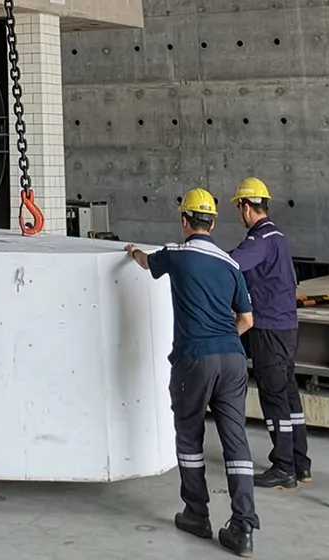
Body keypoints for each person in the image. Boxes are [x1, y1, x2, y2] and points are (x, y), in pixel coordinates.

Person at [124, 188, 259, 557]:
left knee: (189, 437)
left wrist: (132, 251)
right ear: (212, 223)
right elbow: (247, 319)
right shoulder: (231, 265)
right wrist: (223, 338)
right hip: (232, 358)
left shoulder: (177, 254)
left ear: (185, 221)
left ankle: (197, 515)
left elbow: (146, 263)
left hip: (194, 359)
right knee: (236, 442)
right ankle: (244, 528)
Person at [229, 177, 312, 489]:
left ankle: (283, 467)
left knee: (274, 397)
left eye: (239, 208)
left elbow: (231, 265)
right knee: (289, 395)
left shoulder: (258, 239)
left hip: (268, 329)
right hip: (287, 327)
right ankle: (300, 463)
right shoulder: (278, 237)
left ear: (246, 207)